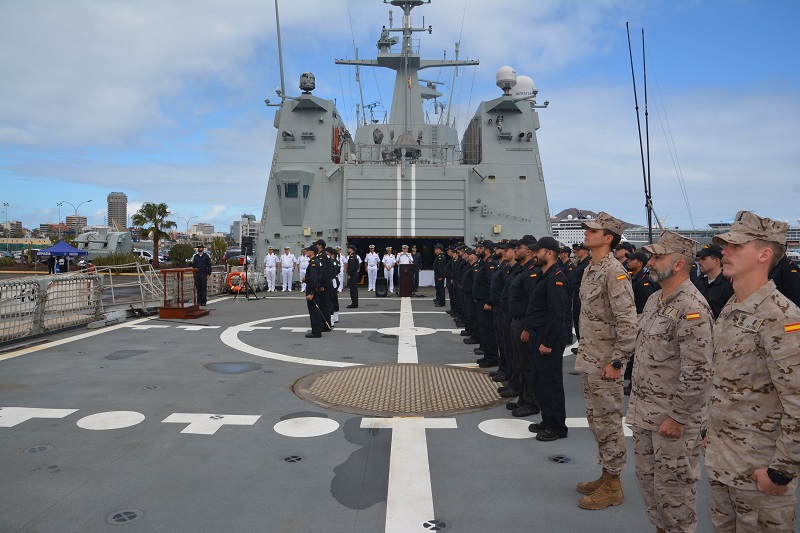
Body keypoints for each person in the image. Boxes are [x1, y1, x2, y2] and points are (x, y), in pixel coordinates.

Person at [704, 211, 800, 532]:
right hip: (723, 463)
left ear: (764, 254)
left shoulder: (782, 317)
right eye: (724, 246)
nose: (724, 252)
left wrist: (781, 472)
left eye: (735, 246)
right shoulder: (733, 308)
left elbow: (798, 402)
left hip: (759, 475)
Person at [626, 230, 714, 533]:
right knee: (652, 491)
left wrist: (678, 417)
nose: (650, 262)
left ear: (678, 264)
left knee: (675, 496)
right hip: (646, 415)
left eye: (658, 257)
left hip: (672, 422)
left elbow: (699, 371)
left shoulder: (692, 307)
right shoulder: (654, 299)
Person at [574, 212, 638, 511]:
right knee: (596, 420)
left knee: (609, 421)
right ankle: (606, 474)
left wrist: (617, 361)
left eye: (592, 230)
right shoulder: (592, 268)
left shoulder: (615, 272)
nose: (586, 232)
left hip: (605, 363)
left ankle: (614, 486)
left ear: (608, 238)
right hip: (591, 357)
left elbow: (628, 322)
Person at [524, 236, 571, 441]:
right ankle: (548, 419)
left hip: (548, 338)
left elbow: (557, 313)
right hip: (538, 335)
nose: (535, 254)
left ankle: (557, 427)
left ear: (549, 253)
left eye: (538, 251)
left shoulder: (555, 277)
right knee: (539, 381)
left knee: (550, 383)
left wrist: (548, 342)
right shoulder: (545, 275)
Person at [505, 235, 543, 417]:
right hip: (516, 320)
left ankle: (533, 402)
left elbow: (532, 303)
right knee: (519, 361)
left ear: (528, 251)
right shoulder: (521, 270)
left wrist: (527, 328)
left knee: (527, 364)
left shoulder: (530, 272)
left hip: (524, 322)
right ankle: (523, 398)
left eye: (518, 248)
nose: (515, 251)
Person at [623, 250, 659, 395]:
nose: (628, 262)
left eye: (631, 260)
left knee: (637, 354)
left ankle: (634, 384)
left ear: (639, 263)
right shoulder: (635, 277)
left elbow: (648, 304)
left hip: (640, 318)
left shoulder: (643, 281)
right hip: (634, 318)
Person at [473, 240, 499, 367]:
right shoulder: (484, 263)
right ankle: (487, 355)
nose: (477, 250)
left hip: (486, 303)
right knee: (484, 330)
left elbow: (491, 284)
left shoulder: (490, 264)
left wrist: (489, 301)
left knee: (488, 330)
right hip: (481, 301)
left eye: (480, 248)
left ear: (487, 250)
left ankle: (492, 357)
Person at [693, 243, 733, 319]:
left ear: (716, 261)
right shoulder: (698, 282)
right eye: (699, 259)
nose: (699, 262)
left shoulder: (728, 286)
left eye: (703, 259)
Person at [570, 243, 591, 354]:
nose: (575, 252)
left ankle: (584, 348)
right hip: (577, 295)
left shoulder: (588, 263)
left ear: (585, 251)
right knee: (577, 322)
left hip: (582, 297)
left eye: (578, 250)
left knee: (581, 323)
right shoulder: (580, 263)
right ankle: (581, 345)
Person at [303, 246, 325, 338]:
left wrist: (311, 293)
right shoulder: (317, 261)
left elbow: (314, 278)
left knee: (313, 311)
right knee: (315, 310)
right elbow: (321, 275)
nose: (306, 252)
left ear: (312, 252)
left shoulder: (313, 263)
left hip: (312, 289)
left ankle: (316, 332)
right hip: (316, 288)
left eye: (307, 251)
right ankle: (317, 330)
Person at [346, 244, 360, 308]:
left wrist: (349, 274)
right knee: (354, 289)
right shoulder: (355, 256)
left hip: (353, 275)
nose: (347, 249)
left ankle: (354, 303)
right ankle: (355, 302)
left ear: (351, 249)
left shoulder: (352, 257)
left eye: (349, 248)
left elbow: (351, 267)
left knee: (353, 289)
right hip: (354, 274)